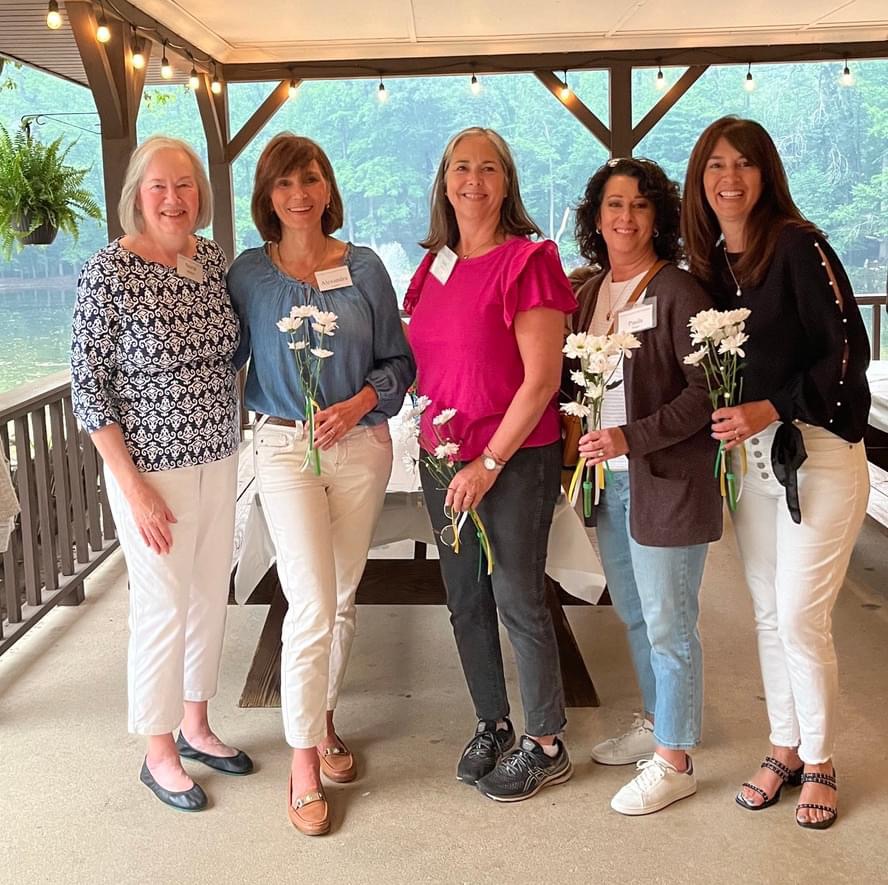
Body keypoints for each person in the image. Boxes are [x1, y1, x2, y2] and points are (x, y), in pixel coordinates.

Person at [683, 116, 871, 830]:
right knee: (767, 611)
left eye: (744, 164)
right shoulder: (711, 266)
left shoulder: (798, 245)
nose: (729, 178)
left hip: (816, 453)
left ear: (766, 174)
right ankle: (784, 746)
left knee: (799, 613)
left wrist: (773, 405)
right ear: (700, 180)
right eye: (715, 165)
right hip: (750, 462)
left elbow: (846, 352)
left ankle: (820, 759)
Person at [227, 133, 414, 835]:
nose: (298, 194)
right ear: (267, 196)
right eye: (283, 183)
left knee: (340, 595)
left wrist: (361, 404)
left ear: (328, 188)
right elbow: (223, 357)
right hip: (282, 445)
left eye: (309, 179)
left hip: (360, 446)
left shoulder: (364, 268)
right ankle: (302, 760)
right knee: (308, 601)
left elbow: (399, 361)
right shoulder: (248, 274)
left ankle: (323, 716)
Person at [71, 136, 253, 813]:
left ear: (199, 194)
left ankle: (195, 724)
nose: (173, 198)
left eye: (184, 185)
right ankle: (158, 750)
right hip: (151, 473)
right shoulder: (108, 272)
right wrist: (133, 487)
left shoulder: (210, 259)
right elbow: (89, 389)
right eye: (159, 186)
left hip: (218, 455)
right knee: (161, 606)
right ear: (137, 196)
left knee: (208, 594)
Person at [404, 126, 577, 802]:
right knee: (465, 597)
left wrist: (489, 461)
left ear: (507, 182)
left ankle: (546, 741)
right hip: (442, 458)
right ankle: (492, 721)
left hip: (514, 458)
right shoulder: (434, 264)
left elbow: (542, 381)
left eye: (487, 168)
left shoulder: (529, 260)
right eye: (460, 167)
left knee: (517, 596)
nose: (472, 180)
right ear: (444, 182)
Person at [570, 158, 721, 815]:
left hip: (666, 481)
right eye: (614, 205)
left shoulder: (680, 291)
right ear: (596, 217)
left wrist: (629, 437)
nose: (625, 217)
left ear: (657, 216)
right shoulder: (592, 293)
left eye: (639, 204)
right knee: (634, 612)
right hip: (610, 482)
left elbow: (706, 392)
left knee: (670, 623)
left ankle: (675, 761)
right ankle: (660, 722)